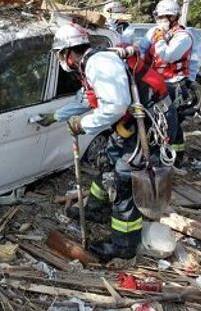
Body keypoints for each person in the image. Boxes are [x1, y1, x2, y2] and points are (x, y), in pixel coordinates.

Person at [38, 23, 175, 261]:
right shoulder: (90, 65)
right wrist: (56, 116)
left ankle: (123, 246)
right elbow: (86, 100)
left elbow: (115, 106)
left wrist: (83, 124)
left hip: (147, 125)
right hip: (131, 122)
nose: (62, 60)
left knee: (125, 180)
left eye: (61, 54)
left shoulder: (100, 64)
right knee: (108, 160)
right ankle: (96, 209)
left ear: (68, 53)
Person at [138, 0, 193, 166]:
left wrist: (160, 37)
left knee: (170, 123)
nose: (160, 21)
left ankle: (170, 159)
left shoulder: (183, 37)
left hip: (173, 86)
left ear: (173, 17)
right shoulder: (154, 32)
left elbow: (167, 56)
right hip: (155, 84)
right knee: (158, 121)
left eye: (164, 17)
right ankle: (170, 155)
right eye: (159, 17)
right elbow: (142, 49)